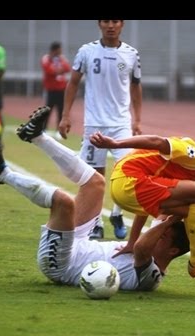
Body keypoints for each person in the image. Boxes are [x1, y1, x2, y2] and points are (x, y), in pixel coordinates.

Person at [0, 105, 195, 295]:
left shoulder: (152, 277)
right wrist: (183, 216)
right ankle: (37, 136)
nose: (157, 228)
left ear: (173, 250)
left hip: (60, 263)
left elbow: (143, 247)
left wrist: (173, 218)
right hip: (82, 239)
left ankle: (4, 174)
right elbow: (156, 153)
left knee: (64, 202)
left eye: (162, 232)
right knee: (95, 183)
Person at [90, 131, 195, 282]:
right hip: (129, 180)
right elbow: (157, 141)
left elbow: (148, 205)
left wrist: (132, 242)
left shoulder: (187, 170)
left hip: (126, 189)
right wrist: (115, 143)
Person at [59, 20, 143, 241]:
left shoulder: (132, 54)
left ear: (122, 24)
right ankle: (95, 224)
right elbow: (73, 83)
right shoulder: (86, 51)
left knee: (127, 171)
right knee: (94, 177)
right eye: (106, 21)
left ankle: (117, 214)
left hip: (121, 125)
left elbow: (135, 87)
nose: (110, 26)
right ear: (99, 24)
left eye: (115, 21)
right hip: (94, 124)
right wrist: (66, 115)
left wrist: (137, 120)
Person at [41, 41, 71, 140]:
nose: (61, 51)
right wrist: (58, 70)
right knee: (47, 110)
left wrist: (58, 70)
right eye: (60, 49)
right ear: (56, 49)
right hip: (51, 90)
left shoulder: (61, 58)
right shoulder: (46, 58)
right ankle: (43, 129)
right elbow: (50, 71)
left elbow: (67, 68)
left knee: (61, 110)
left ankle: (59, 130)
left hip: (61, 89)